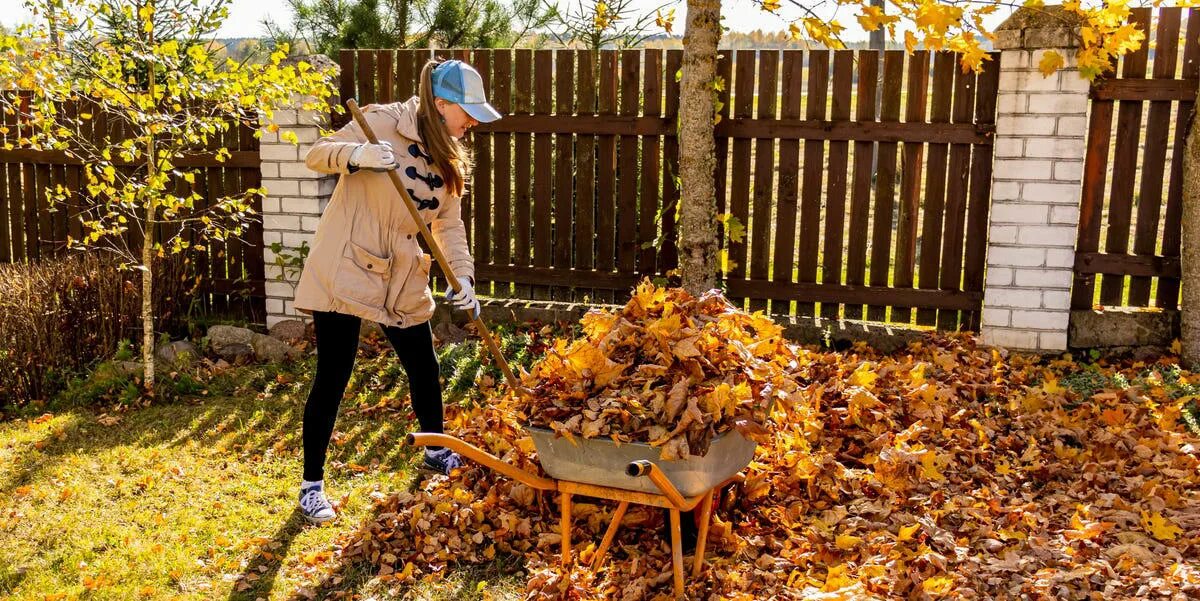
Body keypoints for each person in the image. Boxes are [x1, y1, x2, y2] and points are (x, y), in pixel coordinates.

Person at [290, 58, 502, 524]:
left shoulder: (448, 151)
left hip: (403, 273)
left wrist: (463, 278)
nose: (472, 122)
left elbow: (449, 223)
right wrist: (357, 156)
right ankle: (311, 487)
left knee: (423, 367)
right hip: (347, 262)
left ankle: (435, 451)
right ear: (441, 104)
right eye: (467, 112)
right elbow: (316, 154)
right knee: (334, 375)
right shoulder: (380, 121)